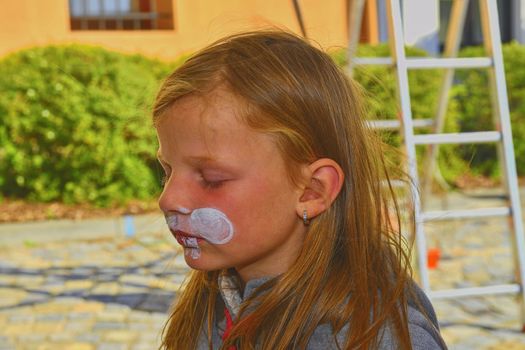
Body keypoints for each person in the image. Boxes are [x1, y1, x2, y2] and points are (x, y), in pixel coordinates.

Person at [153, 30, 447, 350]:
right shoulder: (212, 303)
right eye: (167, 171)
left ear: (311, 191)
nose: (169, 198)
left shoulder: (377, 339)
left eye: (211, 179)